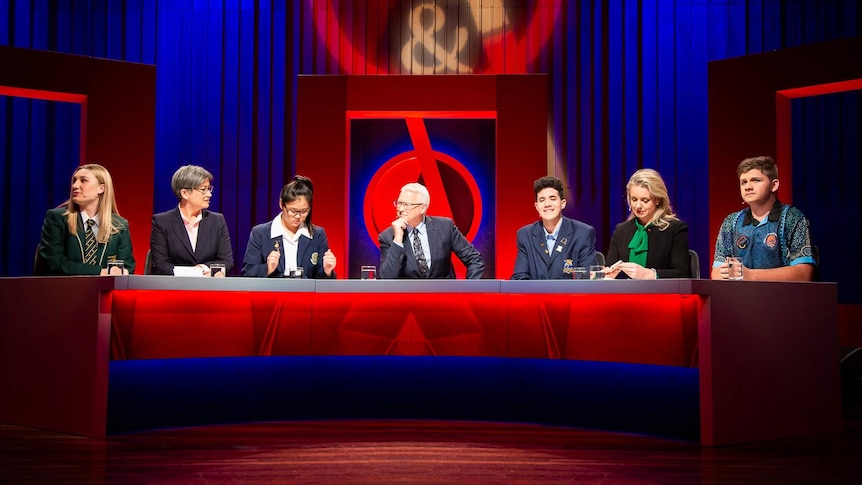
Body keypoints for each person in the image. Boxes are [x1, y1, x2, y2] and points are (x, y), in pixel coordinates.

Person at [711, 156, 816, 281]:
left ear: (774, 185)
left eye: (755, 180)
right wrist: (723, 273)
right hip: (741, 297)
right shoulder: (731, 222)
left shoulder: (793, 218)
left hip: (783, 298)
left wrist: (750, 275)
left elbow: (804, 274)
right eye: (743, 182)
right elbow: (716, 273)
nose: (748, 187)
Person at [36, 163, 135, 275]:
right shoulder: (57, 218)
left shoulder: (119, 225)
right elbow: (55, 262)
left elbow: (127, 267)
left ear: (101, 189)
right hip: (64, 289)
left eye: (83, 180)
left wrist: (120, 272)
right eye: (74, 180)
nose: (75, 186)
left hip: (104, 290)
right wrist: (100, 272)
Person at [378, 182, 484, 279]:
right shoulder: (388, 236)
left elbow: (474, 259)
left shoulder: (445, 227)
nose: (400, 209)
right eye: (399, 203)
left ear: (422, 208)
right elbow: (387, 278)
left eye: (406, 205)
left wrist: (469, 291)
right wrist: (397, 239)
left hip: (444, 297)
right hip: (410, 298)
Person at [242, 175, 337, 278]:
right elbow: (248, 273)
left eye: (304, 211)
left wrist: (327, 271)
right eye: (293, 211)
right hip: (272, 293)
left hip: (305, 293)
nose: (298, 216)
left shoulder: (317, 234)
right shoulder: (260, 233)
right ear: (281, 204)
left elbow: (321, 282)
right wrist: (268, 268)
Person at [603, 169, 690, 279]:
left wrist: (650, 274)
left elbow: (682, 273)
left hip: (660, 294)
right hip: (625, 294)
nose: (638, 206)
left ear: (657, 199)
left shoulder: (675, 229)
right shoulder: (621, 230)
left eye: (645, 200)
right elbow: (610, 268)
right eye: (634, 199)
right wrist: (607, 274)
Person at [149, 165, 233, 276]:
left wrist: (202, 268)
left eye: (209, 189)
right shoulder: (162, 222)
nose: (209, 194)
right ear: (184, 193)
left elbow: (226, 261)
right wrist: (195, 273)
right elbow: (160, 265)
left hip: (208, 288)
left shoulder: (217, 221)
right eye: (203, 189)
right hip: (173, 289)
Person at [511, 176, 597, 279]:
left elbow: (587, 278)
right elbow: (520, 277)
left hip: (571, 295)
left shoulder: (583, 233)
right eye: (542, 200)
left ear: (563, 203)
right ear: (537, 207)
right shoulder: (525, 235)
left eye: (552, 199)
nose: (547, 204)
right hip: (536, 295)